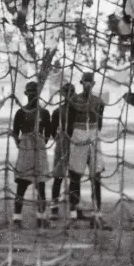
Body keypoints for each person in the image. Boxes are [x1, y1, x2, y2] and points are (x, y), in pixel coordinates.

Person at [67, 72, 109, 228]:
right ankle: (73, 214)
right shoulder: (74, 101)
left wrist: (93, 134)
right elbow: (69, 124)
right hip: (78, 134)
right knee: (75, 175)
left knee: (96, 176)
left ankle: (97, 214)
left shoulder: (98, 102)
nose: (87, 85)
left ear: (94, 84)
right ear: (81, 82)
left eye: (90, 82)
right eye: (85, 82)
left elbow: (100, 123)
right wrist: (76, 137)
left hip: (93, 135)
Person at [12, 81, 51, 228]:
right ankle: (17, 218)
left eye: (35, 92)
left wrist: (40, 143)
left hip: (39, 148)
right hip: (26, 148)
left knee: (40, 184)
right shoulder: (21, 112)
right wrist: (22, 144)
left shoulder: (44, 113)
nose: (32, 95)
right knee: (22, 183)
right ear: (26, 94)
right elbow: (15, 132)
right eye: (30, 92)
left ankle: (41, 218)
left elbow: (48, 132)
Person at [50, 82, 75, 222]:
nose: (69, 96)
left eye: (71, 93)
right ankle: (54, 208)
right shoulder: (58, 111)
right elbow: (53, 131)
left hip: (75, 145)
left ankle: (73, 208)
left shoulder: (78, 110)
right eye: (67, 93)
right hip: (62, 145)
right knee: (58, 177)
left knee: (73, 178)